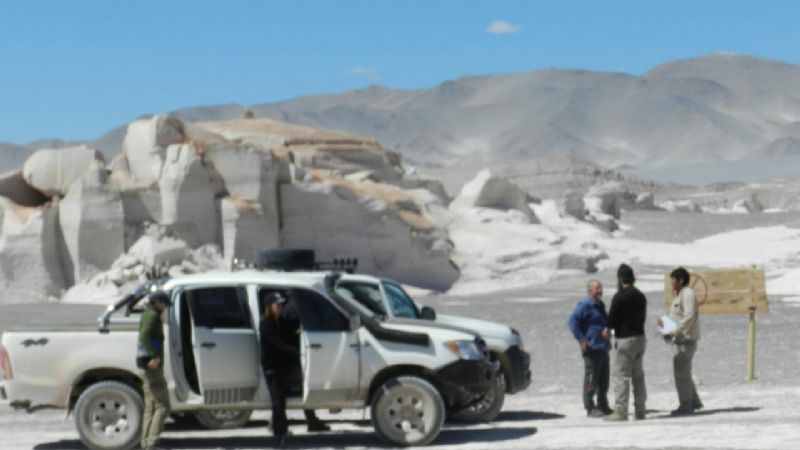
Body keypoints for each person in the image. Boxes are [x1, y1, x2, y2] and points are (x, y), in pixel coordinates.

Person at [259, 291, 328, 447]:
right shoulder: (266, 324)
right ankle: (279, 435)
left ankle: (281, 430)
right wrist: (299, 352)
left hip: (282, 367)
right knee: (278, 403)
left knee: (281, 401)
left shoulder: (280, 321)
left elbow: (290, 332)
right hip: (272, 369)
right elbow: (278, 344)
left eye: (281, 305)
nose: (280, 307)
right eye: (277, 305)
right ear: (269, 307)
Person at [604, 264, 648, 422]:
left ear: (620, 279)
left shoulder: (619, 296)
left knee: (621, 376)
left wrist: (608, 333)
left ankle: (621, 410)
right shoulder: (640, 296)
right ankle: (640, 410)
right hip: (640, 338)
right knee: (638, 377)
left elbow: (611, 321)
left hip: (625, 340)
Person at [567, 280, 612, 417]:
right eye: (597, 288)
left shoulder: (600, 305)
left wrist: (611, 332)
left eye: (601, 288)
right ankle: (590, 407)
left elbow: (608, 324)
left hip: (603, 347)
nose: (600, 290)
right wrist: (581, 339)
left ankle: (602, 405)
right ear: (590, 290)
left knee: (604, 380)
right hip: (591, 348)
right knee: (591, 379)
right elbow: (572, 322)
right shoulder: (585, 305)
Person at [663, 267, 703, 416]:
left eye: (673, 280)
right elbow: (677, 316)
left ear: (680, 280)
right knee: (684, 372)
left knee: (681, 373)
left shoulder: (687, 294)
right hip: (679, 339)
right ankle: (694, 401)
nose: (671, 283)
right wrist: (667, 331)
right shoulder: (679, 295)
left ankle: (686, 405)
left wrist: (675, 331)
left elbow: (689, 316)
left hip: (685, 339)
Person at [138, 290, 171, 450]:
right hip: (152, 365)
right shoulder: (152, 315)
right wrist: (154, 356)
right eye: (164, 304)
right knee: (163, 406)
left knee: (151, 406)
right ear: (157, 302)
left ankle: (145, 443)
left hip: (147, 365)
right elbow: (144, 335)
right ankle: (151, 442)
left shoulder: (147, 314)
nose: (165, 307)